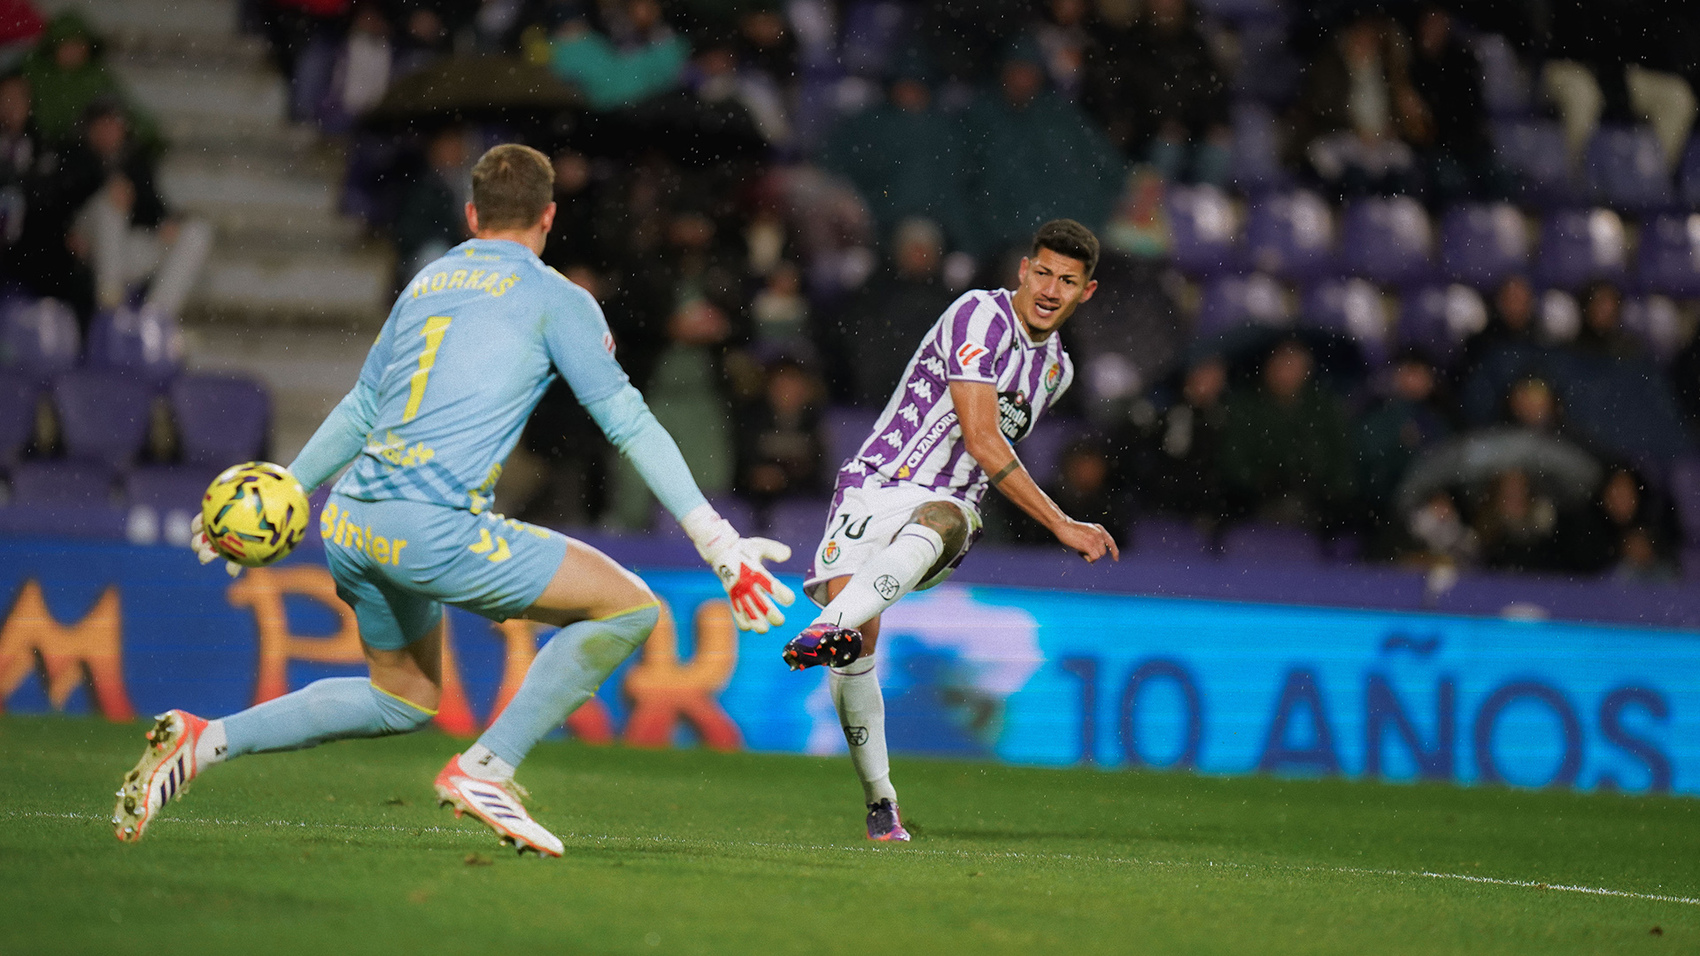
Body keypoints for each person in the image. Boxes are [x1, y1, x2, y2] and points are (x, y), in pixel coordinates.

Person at [111, 144, 795, 857]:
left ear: (472, 215)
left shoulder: (428, 281)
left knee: (399, 697)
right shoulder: (557, 298)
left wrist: (287, 488)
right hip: (429, 530)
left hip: (350, 522)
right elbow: (626, 420)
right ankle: (487, 770)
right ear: (549, 216)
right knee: (628, 606)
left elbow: (362, 405)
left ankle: (202, 741)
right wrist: (717, 540)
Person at [781, 220, 1119, 841]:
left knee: (936, 522)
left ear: (1086, 293)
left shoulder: (1057, 371)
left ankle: (829, 626)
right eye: (1042, 272)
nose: (1050, 288)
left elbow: (983, 456)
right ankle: (881, 804)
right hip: (873, 483)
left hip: (949, 505)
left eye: (1067, 281)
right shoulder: (978, 315)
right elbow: (983, 437)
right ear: (1023, 269)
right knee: (857, 657)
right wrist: (1062, 524)